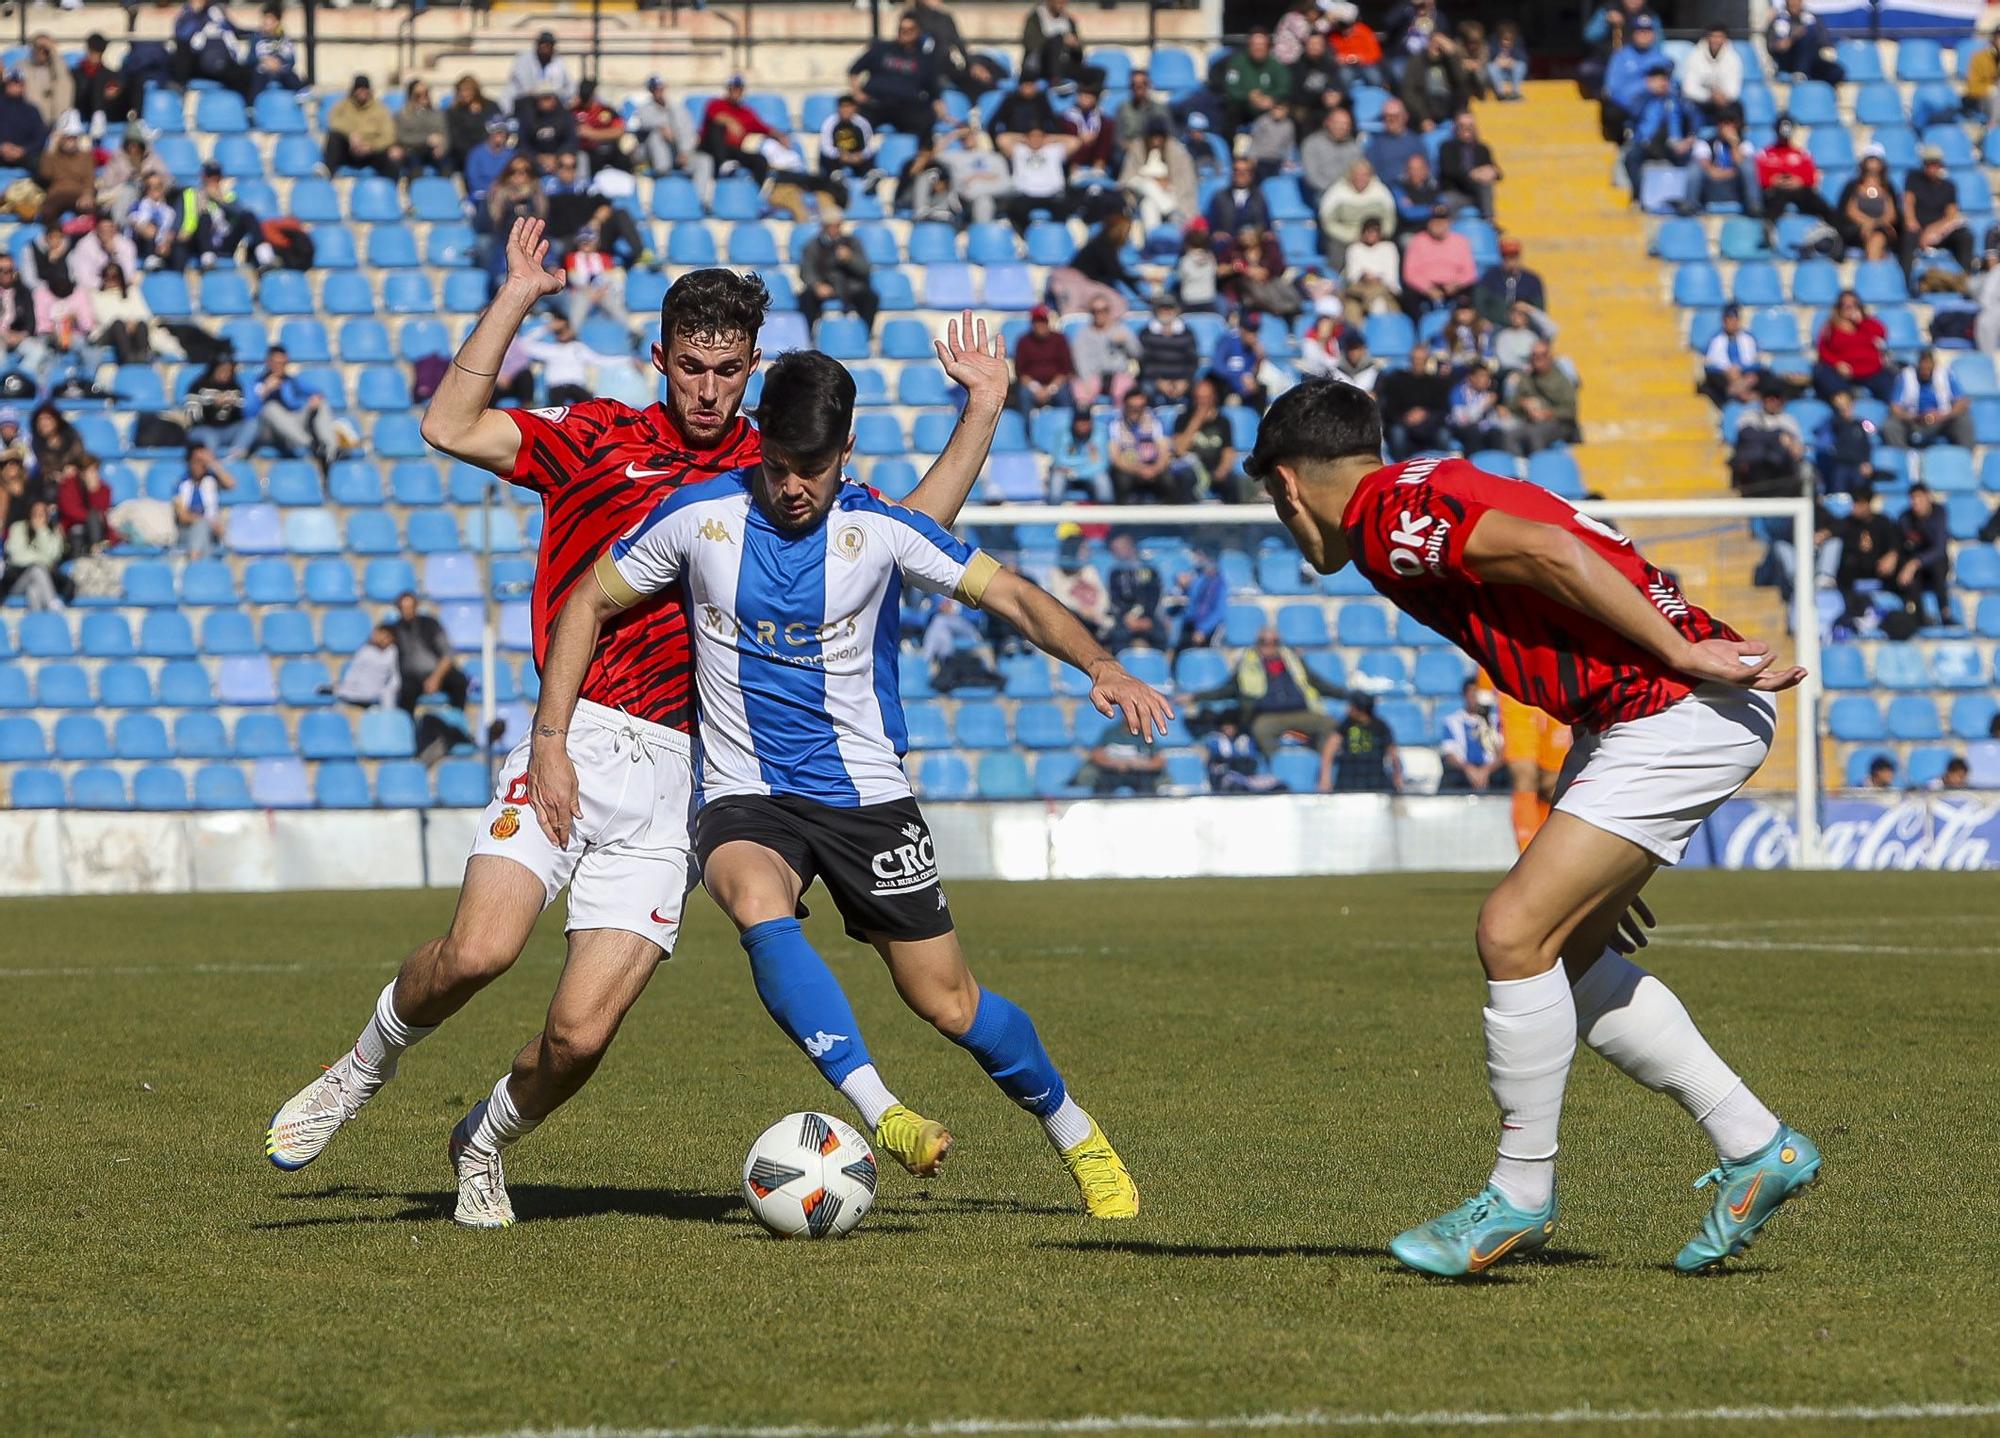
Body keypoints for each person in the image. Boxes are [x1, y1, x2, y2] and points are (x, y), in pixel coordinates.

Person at [264, 228, 1008, 1225]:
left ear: (751, 370)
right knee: (478, 952)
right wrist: (519, 295)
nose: (708, 389)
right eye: (691, 366)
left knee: (577, 1036)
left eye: (728, 370)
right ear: (659, 359)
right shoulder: (593, 436)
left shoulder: (772, 469)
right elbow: (448, 423)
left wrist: (981, 410)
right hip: (569, 735)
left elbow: (910, 532)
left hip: (682, 778)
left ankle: (480, 1141)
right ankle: (358, 1069)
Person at [534, 349, 1157, 1219]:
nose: (794, 488)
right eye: (780, 468)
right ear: (759, 449)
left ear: (849, 450)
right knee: (754, 898)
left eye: (813, 471)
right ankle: (884, 1112)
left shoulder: (882, 530)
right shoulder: (697, 518)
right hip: (746, 790)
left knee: (949, 1002)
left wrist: (1101, 663)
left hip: (867, 799)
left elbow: (1011, 595)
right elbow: (588, 600)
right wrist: (551, 737)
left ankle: (1075, 1131)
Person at [1246, 380, 1817, 1278]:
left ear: (1285, 486)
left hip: (1674, 704)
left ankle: (1516, 1199)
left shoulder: (1389, 522)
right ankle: (1756, 1144)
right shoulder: (1420, 487)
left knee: (1511, 933)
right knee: (1567, 951)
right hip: (1640, 714)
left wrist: (1675, 651)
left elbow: (1552, 550)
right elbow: (1556, 597)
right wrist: (1573, 813)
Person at [1216, 625, 1342, 788]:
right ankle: (1277, 775)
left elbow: (1318, 683)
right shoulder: (1248, 663)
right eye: (1263, 642)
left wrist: (1347, 694)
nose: (1269, 646)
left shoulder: (1292, 660)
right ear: (1257, 643)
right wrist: (1195, 696)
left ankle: (1323, 773)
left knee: (1330, 725)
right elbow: (1228, 689)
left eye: (1274, 642)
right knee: (1261, 729)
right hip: (1268, 716)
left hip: (1301, 712)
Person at [850, 13, 945, 137]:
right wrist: (857, 92)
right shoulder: (881, 48)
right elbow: (854, 70)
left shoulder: (925, 59)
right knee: (855, 127)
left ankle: (921, 156)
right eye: (902, 29)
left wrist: (940, 109)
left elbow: (933, 91)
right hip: (875, 104)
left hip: (906, 107)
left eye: (910, 30)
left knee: (925, 121)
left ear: (919, 32)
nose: (905, 33)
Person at [1623, 62, 1699, 209]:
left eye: (1664, 79)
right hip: (1646, 143)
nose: (1662, 83)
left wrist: (1689, 139)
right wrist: (1646, 90)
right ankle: (1640, 196)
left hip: (1671, 144)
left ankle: (1687, 201)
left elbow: (1693, 117)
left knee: (1691, 159)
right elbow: (1629, 107)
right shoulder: (1642, 99)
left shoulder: (1676, 100)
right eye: (1657, 80)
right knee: (1631, 156)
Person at [250, 347, 341, 468]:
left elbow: (316, 392)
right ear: (268, 362)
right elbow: (248, 412)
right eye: (277, 363)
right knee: (270, 408)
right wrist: (265, 391)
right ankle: (311, 445)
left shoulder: (291, 381)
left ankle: (331, 450)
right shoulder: (257, 383)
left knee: (321, 403)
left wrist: (315, 399)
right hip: (269, 431)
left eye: (283, 363)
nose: (280, 367)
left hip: (293, 426)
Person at [798, 216, 880, 334]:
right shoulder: (812, 245)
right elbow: (806, 271)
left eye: (837, 226)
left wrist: (850, 259)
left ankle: (865, 334)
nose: (835, 230)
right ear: (823, 227)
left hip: (849, 287)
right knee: (806, 298)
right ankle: (807, 335)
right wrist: (817, 285)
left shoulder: (852, 242)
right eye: (831, 226)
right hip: (824, 285)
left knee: (870, 297)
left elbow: (865, 269)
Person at [1901, 146, 1974, 276]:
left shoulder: (1949, 186)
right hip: (1917, 229)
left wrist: (1933, 231)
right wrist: (1912, 223)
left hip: (1939, 231)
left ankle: (1965, 279)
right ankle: (1906, 282)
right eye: (1928, 164)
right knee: (1908, 237)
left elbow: (1951, 215)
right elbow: (1908, 203)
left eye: (1935, 164)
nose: (1932, 167)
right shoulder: (1913, 179)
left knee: (1965, 236)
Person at [1108, 386, 1190, 503]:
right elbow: (1115, 458)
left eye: (1140, 407)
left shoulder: (1154, 422)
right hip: (1130, 469)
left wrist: (1155, 469)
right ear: (1125, 406)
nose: (1136, 411)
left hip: (1153, 467)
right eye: (1132, 407)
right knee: (1122, 481)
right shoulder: (1116, 425)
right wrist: (1138, 470)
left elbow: (1164, 450)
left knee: (1169, 480)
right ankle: (1124, 519)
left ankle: (1170, 517)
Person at [1756, 116, 1840, 229]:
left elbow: (1810, 176)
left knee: (1816, 200)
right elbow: (1759, 176)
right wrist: (1772, 181)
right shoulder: (1764, 154)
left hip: (1798, 190)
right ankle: (1769, 228)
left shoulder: (1801, 154)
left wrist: (1799, 181)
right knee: (1773, 201)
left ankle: (1834, 228)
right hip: (1776, 191)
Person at [1813, 290, 1894, 403]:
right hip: (1844, 373)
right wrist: (1837, 363)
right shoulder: (1831, 328)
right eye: (1845, 305)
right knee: (1822, 372)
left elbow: (1882, 333)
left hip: (1870, 371)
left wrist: (1861, 321)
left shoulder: (1866, 324)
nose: (1849, 308)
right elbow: (1822, 350)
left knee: (1889, 378)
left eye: (1853, 305)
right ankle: (1844, 404)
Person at [1729, 380, 1805, 495]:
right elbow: (1747, 435)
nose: (1772, 401)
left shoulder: (1788, 420)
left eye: (1776, 398)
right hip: (1754, 470)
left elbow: (1796, 446)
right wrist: (1777, 436)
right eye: (1768, 398)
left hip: (1779, 469)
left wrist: (1790, 445)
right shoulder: (1750, 415)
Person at [1170, 375, 1240, 501]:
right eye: (1199, 398)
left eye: (1206, 398)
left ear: (1214, 398)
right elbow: (1179, 449)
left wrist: (1223, 469)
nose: (1203, 402)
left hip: (1215, 468)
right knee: (1185, 478)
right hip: (1192, 469)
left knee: (1232, 480)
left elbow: (1228, 450)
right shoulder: (1183, 418)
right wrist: (1197, 421)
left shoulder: (1223, 421)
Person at [1377, 340, 1453, 455]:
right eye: (1415, 359)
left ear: (1427, 360)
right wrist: (1406, 417)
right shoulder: (1397, 380)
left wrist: (1425, 414)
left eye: (1421, 360)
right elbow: (1389, 409)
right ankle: (1400, 464)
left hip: (1429, 425)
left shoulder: (1436, 383)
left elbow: (1443, 410)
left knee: (1444, 434)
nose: (1418, 363)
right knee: (1397, 433)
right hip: (1404, 423)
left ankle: (1442, 465)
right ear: (1410, 360)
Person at [1884, 350, 1972, 449]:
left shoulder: (1945, 375)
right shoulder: (1906, 376)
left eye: (1928, 368)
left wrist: (1944, 416)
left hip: (1942, 420)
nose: (1925, 371)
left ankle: (1966, 457)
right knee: (1890, 426)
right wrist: (1912, 417)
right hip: (1914, 420)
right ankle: (1903, 458)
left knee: (1963, 420)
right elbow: (1894, 406)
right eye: (1923, 368)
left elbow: (1962, 402)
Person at [1895, 481, 1953, 623]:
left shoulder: (1939, 513)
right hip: (1915, 565)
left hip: (1934, 562)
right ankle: (1919, 617)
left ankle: (1945, 614)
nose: (1916, 503)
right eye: (1913, 499)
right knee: (1911, 577)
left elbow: (1939, 549)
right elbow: (1902, 546)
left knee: (1938, 568)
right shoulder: (1905, 518)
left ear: (1928, 498)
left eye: (1920, 499)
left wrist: (1915, 563)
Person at [324, 75, 404, 179]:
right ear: (353, 90)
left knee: (391, 157)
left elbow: (389, 135)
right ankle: (326, 175)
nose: (362, 92)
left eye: (365, 88)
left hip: (372, 151)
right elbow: (333, 121)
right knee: (334, 137)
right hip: (350, 149)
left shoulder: (380, 109)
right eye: (359, 88)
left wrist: (371, 146)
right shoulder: (343, 106)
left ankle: (391, 189)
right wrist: (351, 135)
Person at [1070, 296, 1138, 408]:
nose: (1099, 314)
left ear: (1109, 311)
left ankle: (1120, 423)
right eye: (1095, 311)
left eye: (1103, 310)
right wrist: (1086, 379)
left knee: (1124, 389)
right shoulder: (1083, 334)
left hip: (1118, 374)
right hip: (1093, 375)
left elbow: (1137, 353)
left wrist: (1126, 343)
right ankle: (1086, 421)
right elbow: (1079, 360)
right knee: (1081, 390)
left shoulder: (1121, 330)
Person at [1, 498, 67, 609]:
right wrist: (40, 560)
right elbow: (16, 557)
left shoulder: (53, 533)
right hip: (17, 582)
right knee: (37, 569)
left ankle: (39, 623)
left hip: (41, 584)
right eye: (35, 513)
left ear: (47, 517)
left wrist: (42, 531)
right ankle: (53, 604)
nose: (38, 517)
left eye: (42, 514)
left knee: (34, 591)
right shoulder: (17, 528)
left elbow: (53, 556)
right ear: (29, 514)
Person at [1011, 304, 1075, 415]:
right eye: (1037, 321)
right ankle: (1026, 430)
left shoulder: (1059, 340)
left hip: (1056, 385)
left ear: (1048, 322)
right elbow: (1021, 372)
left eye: (1042, 321)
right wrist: (1037, 389)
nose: (1040, 325)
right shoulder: (1023, 342)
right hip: (1032, 386)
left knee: (1065, 395)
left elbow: (1065, 370)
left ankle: (1065, 427)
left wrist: (1050, 389)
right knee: (1023, 395)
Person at [1330, 692, 1402, 791]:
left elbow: (1393, 753)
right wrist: (1325, 778)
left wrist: (1397, 776)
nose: (1348, 709)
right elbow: (1329, 750)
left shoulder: (1380, 726)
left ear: (1360, 709)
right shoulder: (1345, 725)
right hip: (1348, 781)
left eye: (1351, 706)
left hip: (1375, 780)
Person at [1440, 677, 1503, 791]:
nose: (1476, 699)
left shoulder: (1495, 721)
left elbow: (1502, 753)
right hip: (1462, 771)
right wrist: (1468, 769)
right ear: (1465, 695)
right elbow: (1449, 755)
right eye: (1473, 694)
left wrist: (1486, 770)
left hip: (1490, 770)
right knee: (1449, 777)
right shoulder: (1452, 721)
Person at [1838, 148, 1900, 262]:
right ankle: (1874, 268)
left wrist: (1875, 224)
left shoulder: (1888, 187)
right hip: (1856, 229)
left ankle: (1872, 266)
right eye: (1870, 159)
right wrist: (1866, 223)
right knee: (1873, 236)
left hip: (1882, 228)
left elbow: (1892, 213)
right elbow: (1849, 210)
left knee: (1877, 236)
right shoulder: (1854, 186)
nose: (1873, 162)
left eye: (1876, 159)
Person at [1813, 386, 1876, 498]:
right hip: (1840, 466)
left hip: (1858, 466)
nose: (1845, 408)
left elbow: (1866, 445)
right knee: (1839, 490)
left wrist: (1867, 462)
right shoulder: (1832, 424)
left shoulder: (1859, 425)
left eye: (1847, 405)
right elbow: (1822, 439)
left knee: (1860, 491)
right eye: (1841, 406)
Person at [1104, 533, 1164, 649]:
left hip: (1147, 615)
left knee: (1159, 635)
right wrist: (1127, 617)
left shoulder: (1148, 569)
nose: (1118, 552)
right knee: (1118, 635)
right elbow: (1115, 597)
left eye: (1121, 547)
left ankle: (1162, 663)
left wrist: (1148, 617)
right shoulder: (1115, 572)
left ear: (1130, 546)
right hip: (1125, 617)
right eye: (1115, 549)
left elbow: (1153, 595)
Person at [1437, 112, 1501, 217]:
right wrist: (1472, 174)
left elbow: (1497, 171)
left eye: (1470, 126)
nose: (1466, 129)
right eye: (1462, 126)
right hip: (1455, 191)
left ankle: (1489, 222)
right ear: (1456, 128)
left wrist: (1493, 172)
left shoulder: (1482, 149)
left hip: (1477, 193)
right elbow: (1448, 170)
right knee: (1446, 205)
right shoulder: (1447, 147)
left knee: (1486, 182)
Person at [1700, 304, 1766, 407]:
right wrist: (1727, 371)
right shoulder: (1715, 340)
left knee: (1765, 375)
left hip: (1747, 376)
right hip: (1725, 377)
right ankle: (1742, 394)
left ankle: (1739, 390)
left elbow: (1757, 362)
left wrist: (1741, 369)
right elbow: (1709, 365)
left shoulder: (1749, 338)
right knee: (1712, 381)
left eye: (1735, 319)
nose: (1732, 323)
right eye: (1729, 320)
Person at [1137, 295, 1199, 404]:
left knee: (1201, 390)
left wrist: (1185, 381)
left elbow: (1193, 361)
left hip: (1181, 379)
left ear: (1176, 310)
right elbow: (1144, 361)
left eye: (1170, 307)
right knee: (1146, 389)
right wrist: (1158, 382)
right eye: (1163, 307)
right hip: (1155, 379)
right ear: (1156, 310)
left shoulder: (1187, 333)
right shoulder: (1146, 333)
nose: (1166, 311)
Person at [632, 76, 696, 181]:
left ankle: (684, 163)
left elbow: (687, 130)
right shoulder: (643, 109)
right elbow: (643, 126)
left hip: (677, 149)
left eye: (660, 88)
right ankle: (662, 169)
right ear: (650, 91)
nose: (658, 91)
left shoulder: (677, 108)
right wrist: (661, 128)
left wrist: (684, 151)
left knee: (702, 159)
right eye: (654, 89)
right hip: (650, 153)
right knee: (655, 135)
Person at [173, 443, 233, 556]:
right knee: (202, 527)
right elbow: (183, 516)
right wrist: (207, 522)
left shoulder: (211, 480)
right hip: (188, 531)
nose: (201, 465)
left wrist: (213, 463)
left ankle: (199, 563)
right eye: (197, 461)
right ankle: (197, 561)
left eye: (204, 462)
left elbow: (231, 484)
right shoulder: (181, 484)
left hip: (213, 531)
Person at [183, 358, 252, 456]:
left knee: (251, 424)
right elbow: (191, 417)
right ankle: (211, 465)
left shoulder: (235, 386)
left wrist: (234, 407)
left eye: (228, 371)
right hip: (203, 429)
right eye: (222, 370)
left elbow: (243, 413)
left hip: (228, 430)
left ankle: (235, 457)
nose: (225, 374)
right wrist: (213, 406)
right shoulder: (197, 386)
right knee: (210, 437)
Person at [506, 31, 576, 125]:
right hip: (529, 101)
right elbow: (523, 87)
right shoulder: (524, 59)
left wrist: (557, 97)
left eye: (549, 45)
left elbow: (569, 85)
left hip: (552, 102)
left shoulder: (559, 62)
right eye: (543, 44)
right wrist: (540, 97)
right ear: (538, 45)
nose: (545, 48)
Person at [1473, 236, 1546, 326]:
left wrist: (1526, 311)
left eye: (1514, 256)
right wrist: (1486, 319)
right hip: (1496, 326)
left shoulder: (1532, 280)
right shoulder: (1491, 277)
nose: (1511, 261)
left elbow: (1540, 309)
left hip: (1525, 328)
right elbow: (1479, 303)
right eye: (1506, 257)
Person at [1301, 107, 1364, 209]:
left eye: (1346, 124)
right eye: (1338, 123)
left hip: (1349, 192)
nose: (1342, 127)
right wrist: (1335, 191)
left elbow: (1359, 172)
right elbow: (1311, 177)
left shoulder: (1354, 147)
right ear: (1327, 123)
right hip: (1321, 193)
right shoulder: (1311, 144)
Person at [1767, 0, 1842, 85]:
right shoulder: (1779, 20)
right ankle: (1800, 73)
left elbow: (1824, 41)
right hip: (1789, 60)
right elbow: (1775, 46)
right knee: (1805, 36)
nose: (1795, 4)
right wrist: (1794, 37)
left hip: (1812, 60)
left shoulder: (1812, 18)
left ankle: (1819, 89)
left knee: (1836, 72)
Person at [1677, 23, 1741, 121]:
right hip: (1700, 102)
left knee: (1737, 108)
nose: (1716, 40)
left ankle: (1733, 136)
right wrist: (1709, 96)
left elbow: (1734, 90)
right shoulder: (1695, 56)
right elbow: (1689, 88)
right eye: (1713, 37)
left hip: (1722, 102)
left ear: (1725, 39)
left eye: (1720, 37)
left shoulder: (1733, 58)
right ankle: (1693, 135)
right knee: (1688, 107)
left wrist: (1723, 96)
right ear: (1707, 38)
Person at [1047, 409, 1110, 502]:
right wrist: (1083, 465)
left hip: (1091, 472)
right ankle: (1053, 515)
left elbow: (1102, 464)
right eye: (1080, 423)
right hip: (1066, 473)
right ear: (1073, 423)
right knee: (1056, 482)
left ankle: (1106, 515)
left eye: (1086, 423)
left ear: (1091, 423)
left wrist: (1078, 472)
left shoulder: (1100, 432)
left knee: (1103, 483)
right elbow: (1058, 460)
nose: (1083, 427)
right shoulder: (1062, 432)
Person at [334, 624, 402, 710]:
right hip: (360, 689)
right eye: (381, 635)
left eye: (387, 637)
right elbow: (353, 673)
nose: (383, 639)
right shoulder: (365, 651)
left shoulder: (392, 651)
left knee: (388, 696)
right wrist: (349, 685)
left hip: (379, 690)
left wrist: (393, 688)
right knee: (343, 692)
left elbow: (395, 676)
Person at [818, 94, 879, 184]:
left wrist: (860, 155)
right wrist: (839, 154)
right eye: (842, 107)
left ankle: (869, 180)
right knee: (825, 157)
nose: (845, 110)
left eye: (848, 107)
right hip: (838, 158)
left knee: (871, 156)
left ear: (855, 108)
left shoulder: (862, 123)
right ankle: (836, 177)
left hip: (857, 157)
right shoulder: (830, 123)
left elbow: (869, 145)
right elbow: (826, 147)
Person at [396, 79, 451, 179]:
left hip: (434, 150)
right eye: (418, 95)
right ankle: (417, 192)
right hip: (413, 151)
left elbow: (445, 134)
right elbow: (401, 137)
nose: (423, 98)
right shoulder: (403, 115)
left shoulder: (436, 113)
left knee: (446, 164)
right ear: (411, 96)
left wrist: (443, 147)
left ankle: (444, 191)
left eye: (425, 93)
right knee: (414, 166)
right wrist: (426, 139)